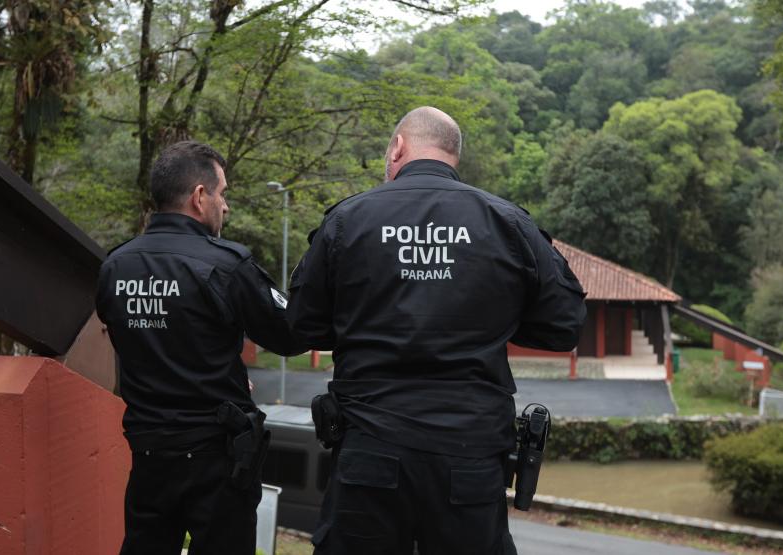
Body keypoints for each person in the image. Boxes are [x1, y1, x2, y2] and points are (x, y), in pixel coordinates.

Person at [287, 107, 587, 555]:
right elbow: (564, 326)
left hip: (370, 449)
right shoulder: (507, 223)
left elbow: (303, 324)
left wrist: (363, 320)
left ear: (398, 148)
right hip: (468, 458)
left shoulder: (348, 221)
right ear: (453, 155)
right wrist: (489, 320)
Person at [96, 140, 302, 555]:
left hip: (149, 458)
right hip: (215, 460)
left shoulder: (115, 266)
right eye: (222, 194)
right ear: (199, 196)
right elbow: (289, 334)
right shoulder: (225, 265)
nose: (225, 206)